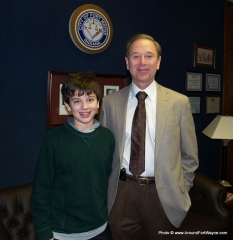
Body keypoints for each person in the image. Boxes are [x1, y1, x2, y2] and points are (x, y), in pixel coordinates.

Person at [100, 34, 199, 240]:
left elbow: (190, 156)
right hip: (122, 195)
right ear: (127, 63)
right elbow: (103, 153)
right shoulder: (110, 103)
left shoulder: (179, 103)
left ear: (159, 62)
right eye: (135, 56)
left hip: (163, 196)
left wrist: (182, 190)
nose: (142, 62)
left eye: (149, 56)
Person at [32, 73, 115, 240]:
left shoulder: (107, 137)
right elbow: (41, 191)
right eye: (77, 101)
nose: (84, 106)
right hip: (64, 233)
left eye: (90, 99)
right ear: (67, 106)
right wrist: (44, 233)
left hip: (100, 229)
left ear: (98, 103)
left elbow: (105, 181)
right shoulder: (54, 141)